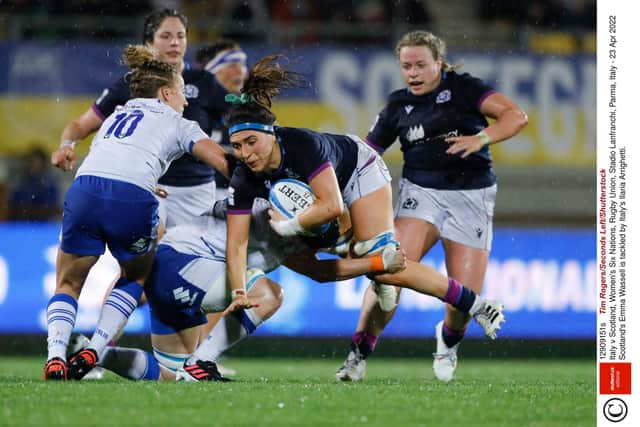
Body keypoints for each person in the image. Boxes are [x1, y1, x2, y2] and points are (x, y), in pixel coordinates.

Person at [221, 55, 506, 350]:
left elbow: (332, 206)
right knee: (324, 271)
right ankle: (373, 262)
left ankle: (477, 304)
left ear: (271, 132)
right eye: (238, 146)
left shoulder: (301, 146)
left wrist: (290, 226)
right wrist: (239, 292)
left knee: (383, 263)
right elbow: (236, 244)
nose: (245, 153)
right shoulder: (244, 177)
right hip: (309, 213)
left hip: (357, 171)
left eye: (251, 141)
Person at [336, 30, 528, 382]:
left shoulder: (466, 89)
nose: (413, 73)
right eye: (406, 66)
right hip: (419, 194)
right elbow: (365, 156)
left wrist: (480, 138)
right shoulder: (397, 106)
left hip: (472, 196)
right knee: (388, 271)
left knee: (461, 304)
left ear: (438, 63)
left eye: (421, 65)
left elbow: (516, 116)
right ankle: (357, 355)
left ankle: (448, 341)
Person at [43, 45, 230, 381]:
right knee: (136, 276)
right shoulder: (178, 122)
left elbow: (114, 156)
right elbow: (221, 161)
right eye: (181, 94)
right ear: (167, 92)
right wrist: (261, 183)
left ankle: (55, 356)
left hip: (84, 188)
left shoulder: (118, 113)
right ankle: (96, 349)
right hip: (132, 199)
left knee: (68, 283)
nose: (186, 102)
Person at [72, 198, 406, 381]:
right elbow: (320, 268)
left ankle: (94, 354)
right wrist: (376, 263)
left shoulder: (287, 217)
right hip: (184, 262)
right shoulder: (275, 218)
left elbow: (322, 261)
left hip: (172, 268)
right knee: (271, 295)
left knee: (168, 377)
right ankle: (202, 361)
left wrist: (372, 260)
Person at [55, 8, 229, 229]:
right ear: (149, 41)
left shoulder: (205, 82)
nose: (175, 42)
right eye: (166, 36)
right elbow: (81, 125)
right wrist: (66, 145)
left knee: (194, 258)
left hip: (197, 192)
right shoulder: (131, 84)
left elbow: (240, 114)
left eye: (180, 36)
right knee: (147, 246)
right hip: (147, 184)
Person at [194, 39, 248, 201]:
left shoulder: (250, 111)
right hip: (197, 197)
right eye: (231, 64)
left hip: (238, 196)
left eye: (242, 63)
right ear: (210, 72)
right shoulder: (190, 110)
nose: (240, 70)